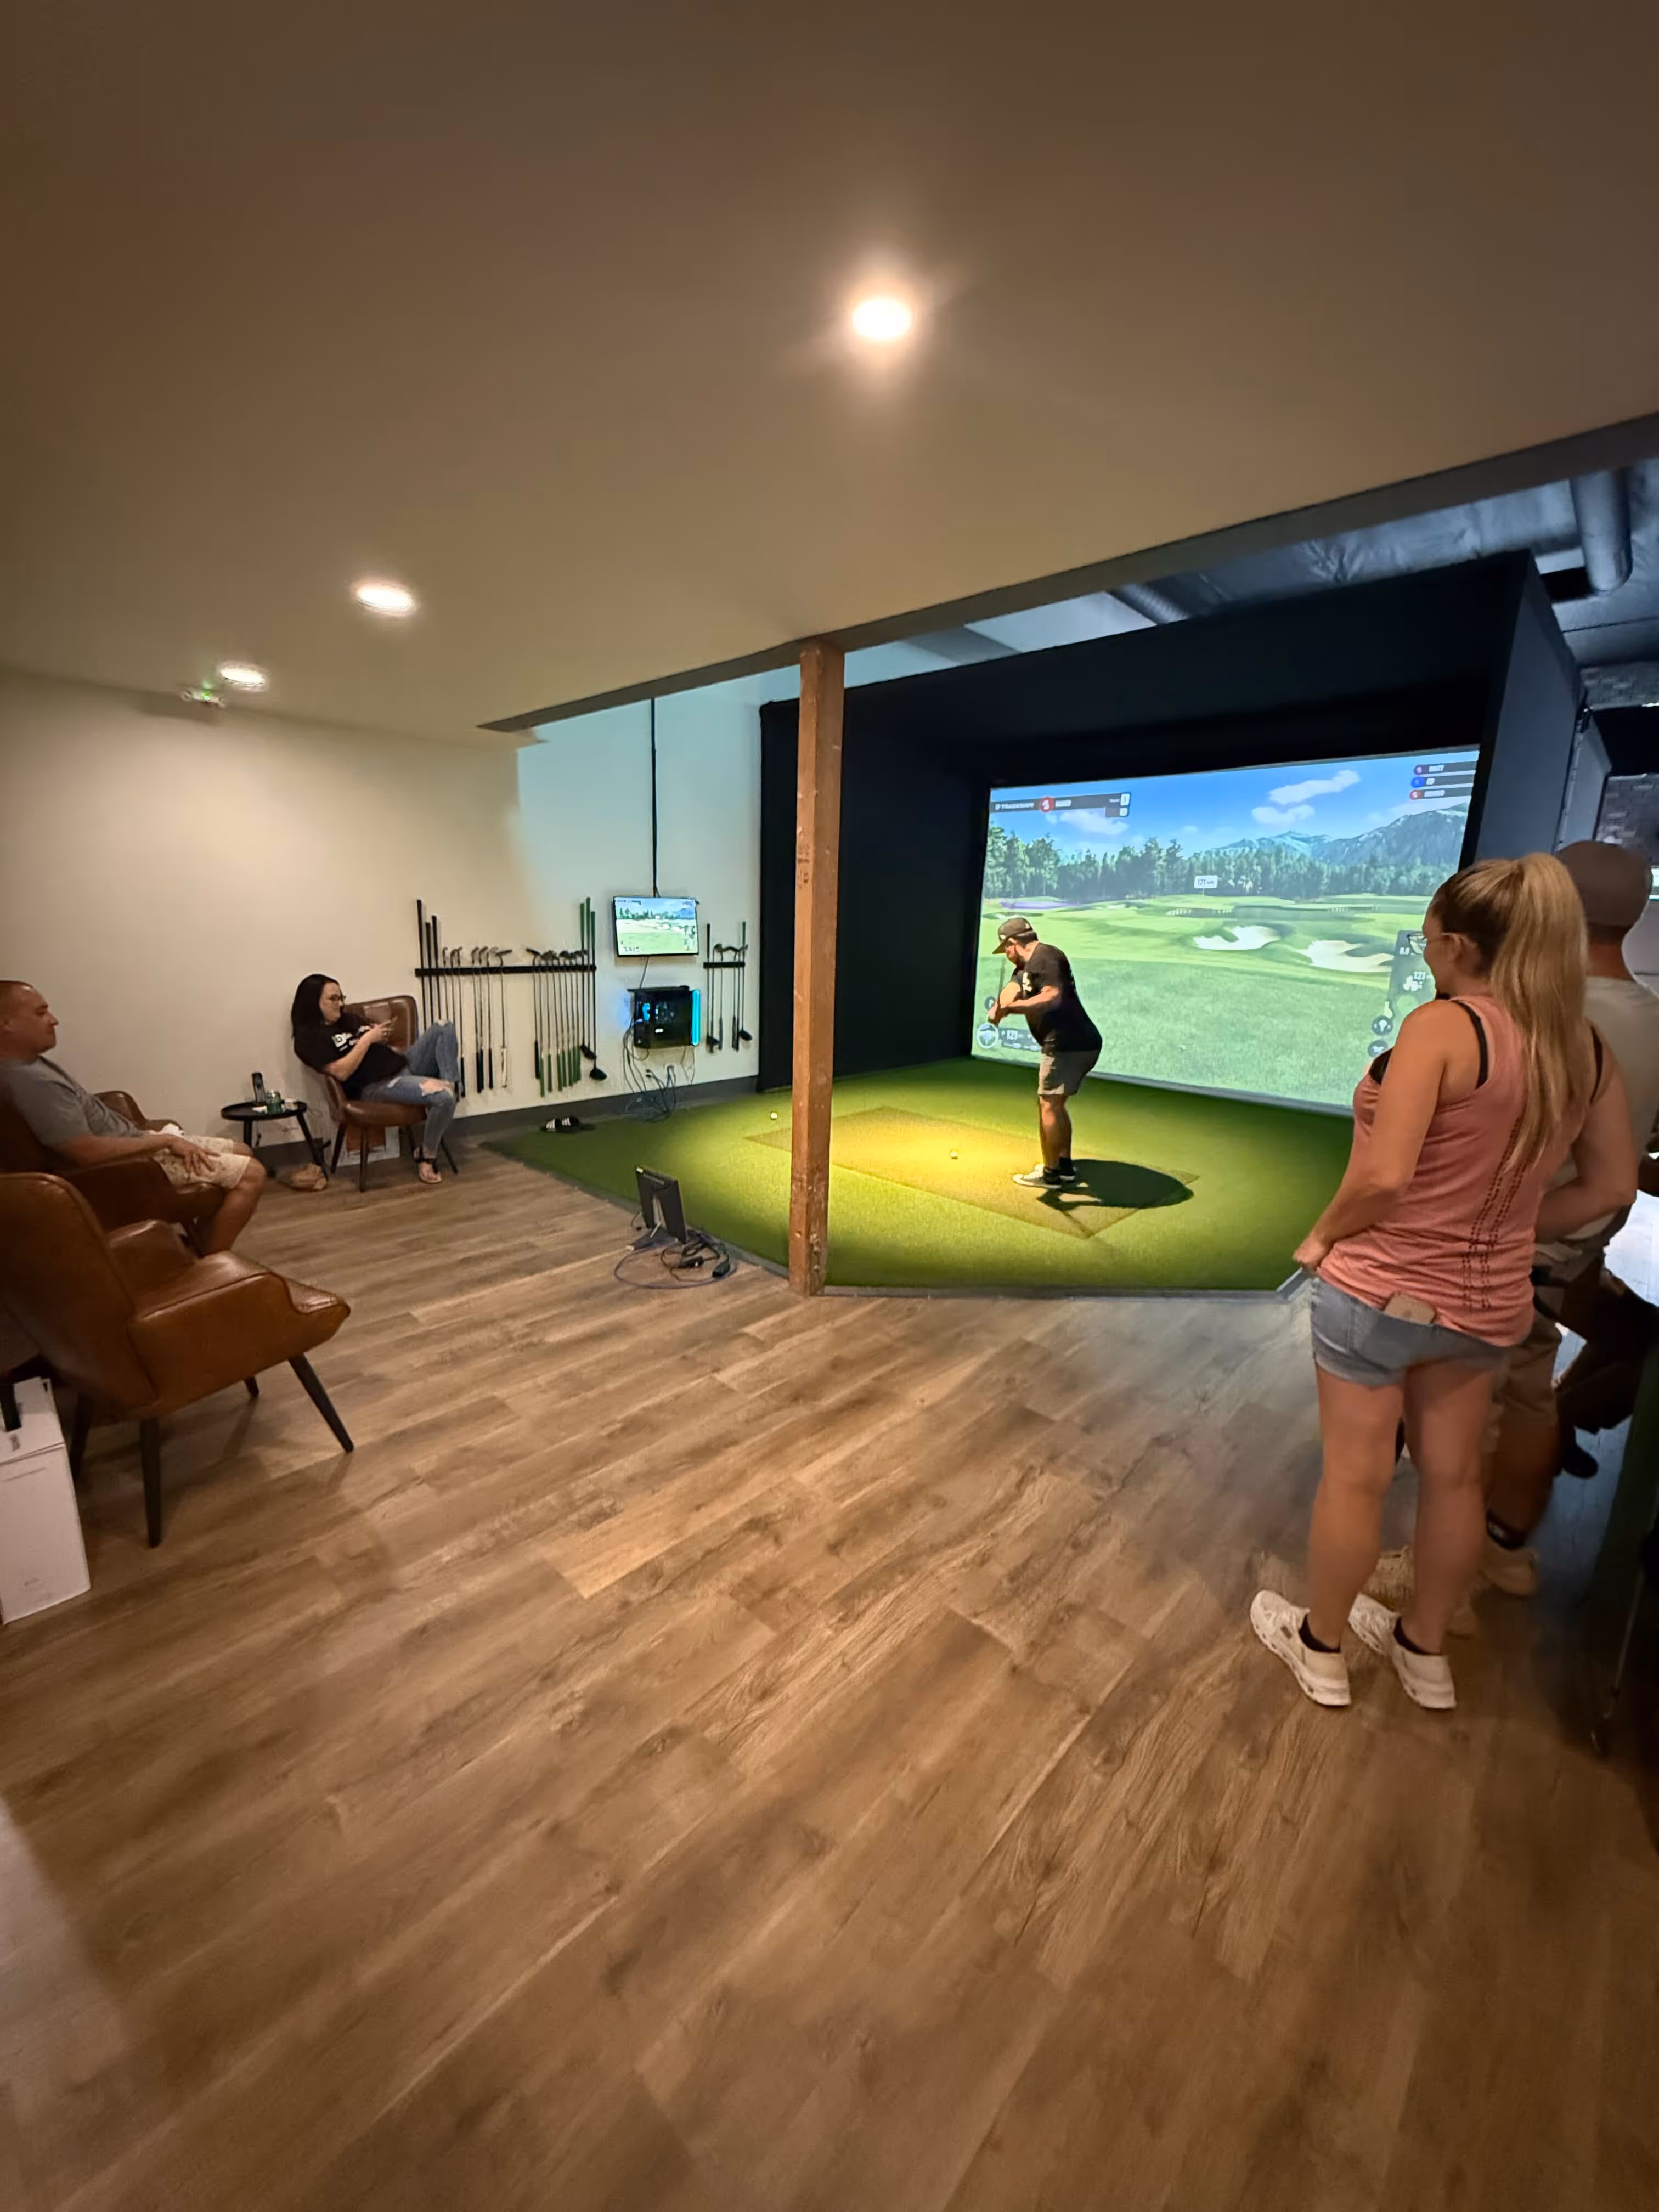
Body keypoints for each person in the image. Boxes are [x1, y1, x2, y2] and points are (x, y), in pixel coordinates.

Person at [1251, 854, 1639, 1714]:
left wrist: (1321, 1234)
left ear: (1460, 945)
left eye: (1428, 939)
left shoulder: (1442, 1028)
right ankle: (1425, 1656)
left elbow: (1387, 1179)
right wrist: (1500, 1232)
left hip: (1377, 1292)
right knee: (1456, 1479)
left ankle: (1320, 1651)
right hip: (1490, 1304)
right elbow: (1611, 1187)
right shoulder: (1586, 1045)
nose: (1425, 953)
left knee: (1356, 1479)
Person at [1476, 840, 1659, 1592]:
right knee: (1525, 1390)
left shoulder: (1546, 1017)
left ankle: (1461, 1573)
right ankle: (1504, 1551)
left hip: (1515, 1242)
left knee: (1485, 1411)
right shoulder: (1651, 1016)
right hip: (1575, 1248)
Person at [0, 981, 267, 1251]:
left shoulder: (28, 1066)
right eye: (40, 1013)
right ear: (7, 1023)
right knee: (252, 1175)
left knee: (242, 1150)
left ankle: (197, 1249)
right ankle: (212, 1264)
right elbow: (86, 1152)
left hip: (137, 1147)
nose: (53, 1020)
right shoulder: (32, 1083)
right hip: (129, 1166)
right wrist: (164, 1142)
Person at [290, 976, 460, 1186]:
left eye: (341, 997)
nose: (341, 1004)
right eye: (333, 999)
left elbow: (376, 1042)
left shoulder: (349, 1019)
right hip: (376, 1085)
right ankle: (427, 1156)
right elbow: (341, 1072)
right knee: (443, 1098)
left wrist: (380, 1034)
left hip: (404, 1064)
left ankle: (452, 1084)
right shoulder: (308, 1039)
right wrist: (368, 1039)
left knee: (444, 1027)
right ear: (312, 1002)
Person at [986, 916, 1102, 1189]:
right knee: (1055, 1104)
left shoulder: (1047, 957)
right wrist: (999, 1008)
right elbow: (1012, 990)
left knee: (1048, 1104)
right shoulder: (1026, 966)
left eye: (1006, 950)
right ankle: (1063, 1167)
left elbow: (1053, 996)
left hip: (1067, 1043)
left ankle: (1050, 1174)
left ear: (1013, 943)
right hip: (1074, 1043)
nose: (1006, 956)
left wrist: (1012, 1009)